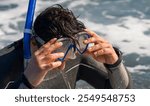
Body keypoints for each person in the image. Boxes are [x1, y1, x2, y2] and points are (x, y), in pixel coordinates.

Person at [0, 5, 132, 89]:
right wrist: (27, 83)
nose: (71, 56)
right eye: (60, 49)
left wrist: (115, 64)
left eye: (74, 46)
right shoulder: (4, 66)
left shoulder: (75, 55)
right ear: (34, 43)